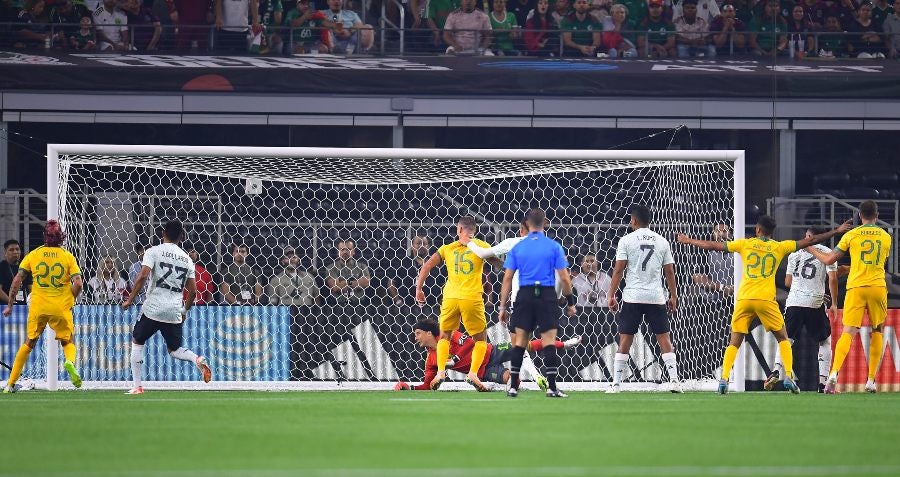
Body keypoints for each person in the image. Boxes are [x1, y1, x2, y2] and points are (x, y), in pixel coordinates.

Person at [677, 215, 850, 394]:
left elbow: (713, 245)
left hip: (744, 298)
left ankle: (724, 378)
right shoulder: (779, 246)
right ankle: (789, 376)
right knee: (783, 338)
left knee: (734, 341)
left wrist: (688, 240)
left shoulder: (745, 244)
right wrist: (836, 231)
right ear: (772, 232)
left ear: (758, 230)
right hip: (766, 300)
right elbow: (811, 241)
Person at [805, 201, 892, 394]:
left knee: (848, 332)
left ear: (860, 215)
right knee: (877, 330)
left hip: (856, 287)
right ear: (876, 216)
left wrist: (810, 247)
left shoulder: (851, 235)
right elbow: (878, 264)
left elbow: (828, 260)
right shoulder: (886, 237)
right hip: (877, 286)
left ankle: (834, 374)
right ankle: (870, 380)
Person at [122, 220, 212, 395]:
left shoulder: (153, 251)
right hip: (173, 310)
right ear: (181, 237)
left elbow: (142, 276)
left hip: (152, 309)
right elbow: (193, 291)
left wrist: (130, 299)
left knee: (137, 341)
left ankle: (138, 386)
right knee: (174, 349)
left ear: (163, 233)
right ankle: (197, 358)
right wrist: (184, 311)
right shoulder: (187, 259)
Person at [498, 208, 577, 398]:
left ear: (526, 224)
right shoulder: (553, 246)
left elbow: (507, 278)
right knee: (548, 341)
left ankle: (514, 387)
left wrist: (502, 306)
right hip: (546, 294)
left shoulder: (518, 247)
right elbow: (565, 279)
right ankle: (551, 387)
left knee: (520, 342)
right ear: (545, 223)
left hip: (524, 295)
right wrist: (570, 301)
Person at [415, 216, 496, 392]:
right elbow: (498, 264)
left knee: (444, 336)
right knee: (480, 340)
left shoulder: (447, 248)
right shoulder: (482, 246)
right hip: (472, 298)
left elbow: (427, 265)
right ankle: (473, 374)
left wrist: (419, 289)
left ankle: (441, 372)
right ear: (474, 231)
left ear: (459, 229)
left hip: (450, 298)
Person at [2, 220, 83, 393]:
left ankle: (10, 384)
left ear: (45, 236)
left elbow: (17, 280)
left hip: (38, 306)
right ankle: (69, 361)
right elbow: (78, 283)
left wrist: (10, 305)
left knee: (29, 343)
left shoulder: (34, 254)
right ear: (60, 236)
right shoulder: (68, 256)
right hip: (60, 307)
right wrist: (71, 298)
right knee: (68, 340)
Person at [607, 205, 680, 393]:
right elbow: (669, 271)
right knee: (664, 338)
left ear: (634, 220)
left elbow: (618, 269)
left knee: (625, 340)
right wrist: (673, 295)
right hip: (656, 296)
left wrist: (611, 294)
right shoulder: (662, 241)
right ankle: (674, 381)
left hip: (633, 296)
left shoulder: (626, 240)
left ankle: (616, 384)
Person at [394, 318, 582, 391]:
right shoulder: (431, 359)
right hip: (483, 372)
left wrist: (456, 359)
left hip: (490, 352)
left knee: (523, 345)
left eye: (418, 333)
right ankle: (506, 385)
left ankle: (564, 344)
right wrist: (408, 387)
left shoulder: (449, 336)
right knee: (512, 380)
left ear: (429, 333)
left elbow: (469, 344)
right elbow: (427, 385)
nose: (415, 338)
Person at [764, 226, 839, 393]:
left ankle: (776, 370)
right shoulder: (828, 252)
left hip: (794, 302)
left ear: (808, 236)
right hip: (815, 302)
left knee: (786, 339)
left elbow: (788, 283)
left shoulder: (794, 253)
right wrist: (833, 302)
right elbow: (833, 278)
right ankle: (822, 384)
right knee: (824, 341)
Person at [692, 222, 734, 298]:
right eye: (717, 231)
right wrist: (723, 288)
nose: (720, 234)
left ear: (730, 234)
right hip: (710, 301)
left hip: (734, 300)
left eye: (724, 231)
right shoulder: (704, 252)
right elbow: (698, 278)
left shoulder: (738, 253)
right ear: (713, 233)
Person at [325, 238, 371, 306]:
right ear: (338, 252)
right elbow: (335, 288)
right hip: (338, 305)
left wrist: (346, 283)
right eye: (342, 249)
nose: (345, 252)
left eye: (348, 249)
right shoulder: (331, 267)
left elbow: (366, 283)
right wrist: (356, 283)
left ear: (353, 252)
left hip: (359, 305)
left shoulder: (362, 266)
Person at [0, 239, 26, 305]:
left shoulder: (24, 267)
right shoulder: (2, 267)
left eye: (17, 249)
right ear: (5, 253)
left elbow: (30, 287)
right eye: (11, 250)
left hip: (23, 306)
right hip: (5, 306)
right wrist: (11, 302)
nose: (15, 252)